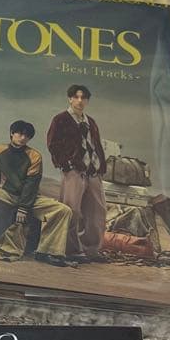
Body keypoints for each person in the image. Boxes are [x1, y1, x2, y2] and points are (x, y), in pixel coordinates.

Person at [0, 120, 76, 266]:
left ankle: (48, 252)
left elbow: (31, 184)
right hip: (7, 194)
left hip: (30, 197)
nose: (23, 138)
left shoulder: (35, 156)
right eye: (19, 134)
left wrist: (23, 208)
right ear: (12, 133)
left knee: (64, 210)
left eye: (27, 136)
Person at [46, 85, 108, 262]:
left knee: (97, 212)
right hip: (74, 171)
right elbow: (52, 144)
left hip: (93, 172)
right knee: (71, 210)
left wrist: (101, 166)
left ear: (87, 101)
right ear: (70, 99)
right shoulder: (61, 119)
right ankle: (71, 249)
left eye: (83, 98)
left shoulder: (91, 122)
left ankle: (91, 250)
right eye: (76, 97)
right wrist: (66, 164)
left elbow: (96, 144)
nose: (80, 101)